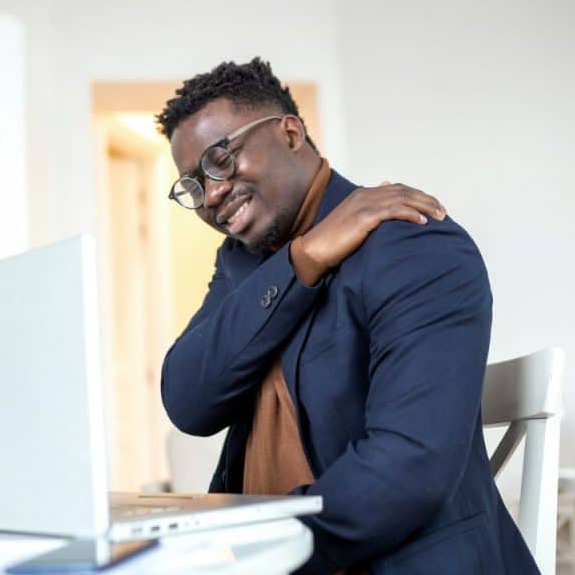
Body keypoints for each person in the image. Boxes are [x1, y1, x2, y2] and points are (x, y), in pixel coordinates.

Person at [157, 58, 538, 574]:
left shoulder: (413, 243)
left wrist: (258, 551)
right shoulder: (244, 262)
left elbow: (409, 466)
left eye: (221, 160)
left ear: (290, 132)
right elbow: (188, 401)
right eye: (195, 185)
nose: (214, 193)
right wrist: (303, 260)